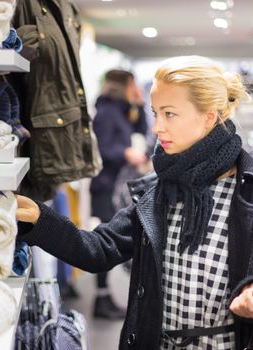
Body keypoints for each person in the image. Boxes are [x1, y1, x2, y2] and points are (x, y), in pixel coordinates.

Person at [16, 56, 253, 349]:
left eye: (170, 114)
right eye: (155, 113)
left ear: (209, 116)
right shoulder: (157, 192)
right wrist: (40, 220)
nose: (157, 127)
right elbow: (99, 249)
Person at [89, 69, 148, 319]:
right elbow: (100, 149)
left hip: (116, 187)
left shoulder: (122, 110)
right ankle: (101, 299)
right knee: (107, 241)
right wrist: (124, 153)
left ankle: (105, 298)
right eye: (132, 84)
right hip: (105, 188)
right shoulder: (106, 112)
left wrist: (140, 103)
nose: (134, 88)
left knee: (114, 240)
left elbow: (142, 129)